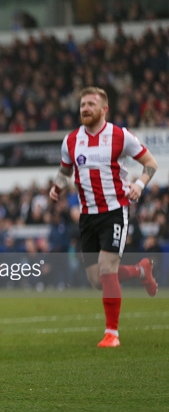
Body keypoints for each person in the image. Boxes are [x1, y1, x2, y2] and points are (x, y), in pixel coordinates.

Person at [49, 86, 158, 348]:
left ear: (104, 109)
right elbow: (65, 171)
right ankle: (142, 271)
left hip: (114, 210)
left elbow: (151, 164)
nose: (85, 108)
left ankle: (112, 334)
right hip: (87, 216)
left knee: (108, 270)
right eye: (82, 105)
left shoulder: (121, 136)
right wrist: (57, 186)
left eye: (90, 104)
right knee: (97, 280)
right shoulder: (71, 140)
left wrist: (139, 185)